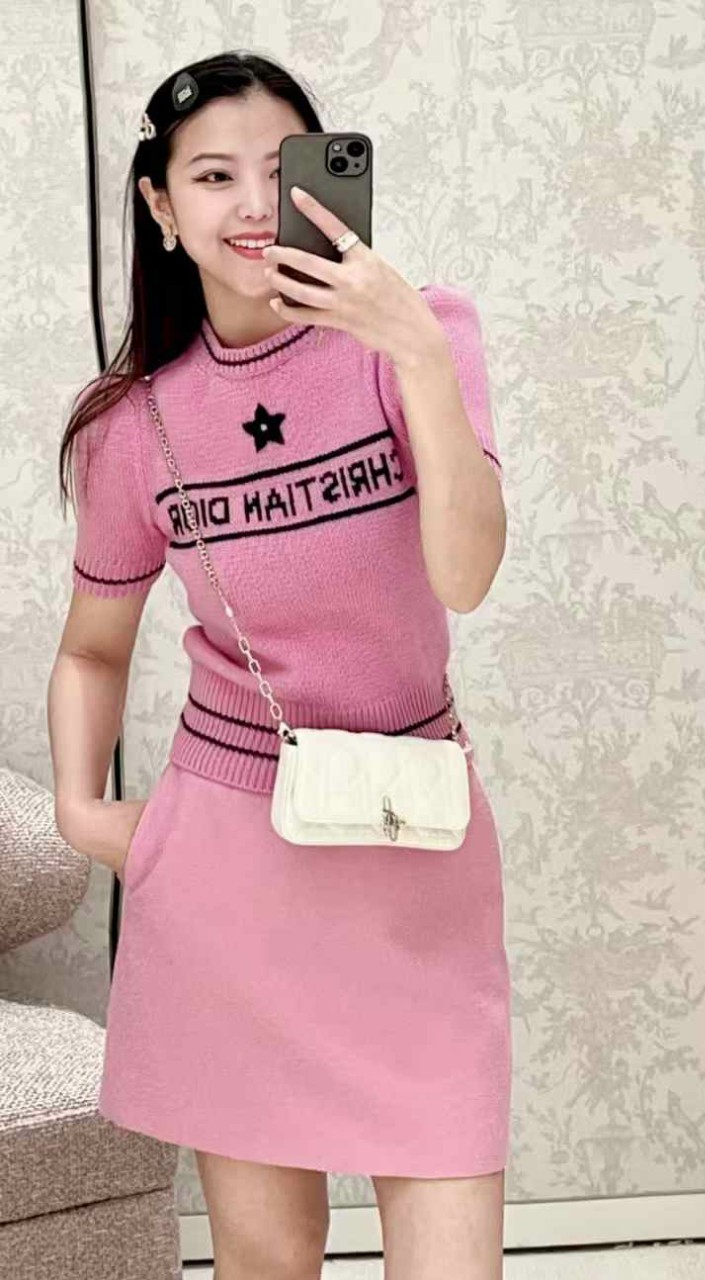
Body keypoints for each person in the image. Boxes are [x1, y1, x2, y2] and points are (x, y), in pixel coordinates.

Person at [47, 49, 511, 1280]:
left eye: (280, 167)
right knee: (265, 1257)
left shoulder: (417, 337)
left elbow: (466, 571)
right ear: (159, 205)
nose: (253, 204)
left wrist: (415, 352)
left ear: (324, 174)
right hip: (228, 869)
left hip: (414, 854)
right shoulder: (134, 424)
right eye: (213, 176)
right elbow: (92, 647)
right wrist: (84, 811)